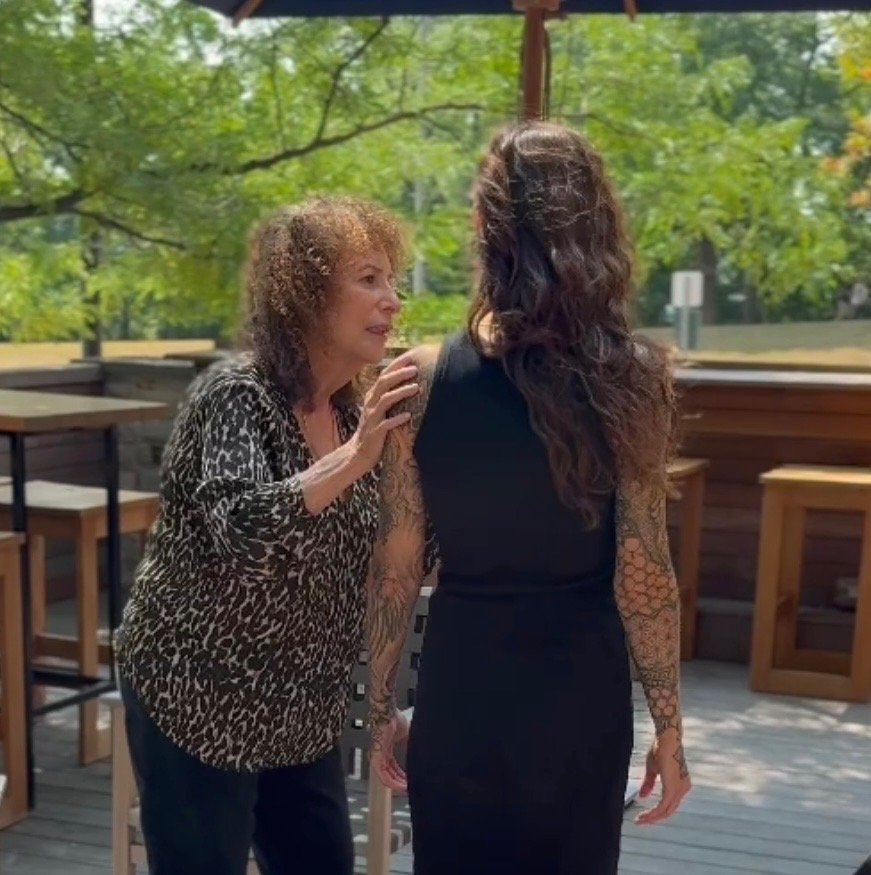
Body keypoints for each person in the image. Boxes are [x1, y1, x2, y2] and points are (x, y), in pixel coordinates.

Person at [366, 122, 692, 875]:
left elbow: (396, 562)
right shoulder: (635, 378)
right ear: (597, 229)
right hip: (580, 696)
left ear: (485, 227)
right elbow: (644, 571)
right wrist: (669, 729)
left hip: (463, 686)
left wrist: (381, 703)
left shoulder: (419, 379)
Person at [116, 196, 420, 875]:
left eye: (392, 280)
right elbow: (241, 532)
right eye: (368, 279)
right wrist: (357, 456)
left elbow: (395, 556)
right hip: (196, 695)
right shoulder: (235, 394)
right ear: (306, 294)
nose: (392, 300)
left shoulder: (355, 415)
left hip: (299, 709)